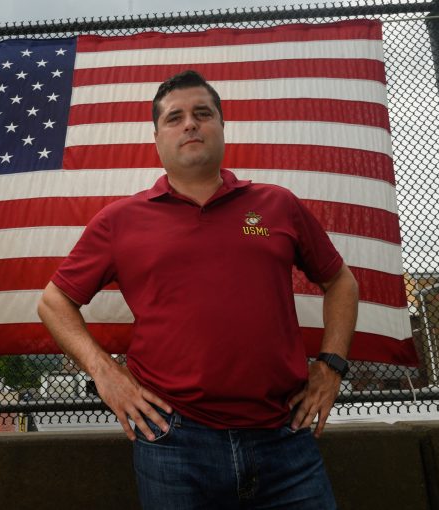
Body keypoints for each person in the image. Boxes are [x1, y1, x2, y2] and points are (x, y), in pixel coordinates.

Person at [38, 70, 359, 509]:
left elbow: (340, 281)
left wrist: (332, 365)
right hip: (173, 442)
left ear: (222, 127)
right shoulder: (119, 221)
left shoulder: (277, 204)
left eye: (202, 113)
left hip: (284, 437)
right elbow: (54, 302)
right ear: (156, 138)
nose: (190, 124)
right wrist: (105, 373)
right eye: (174, 118)